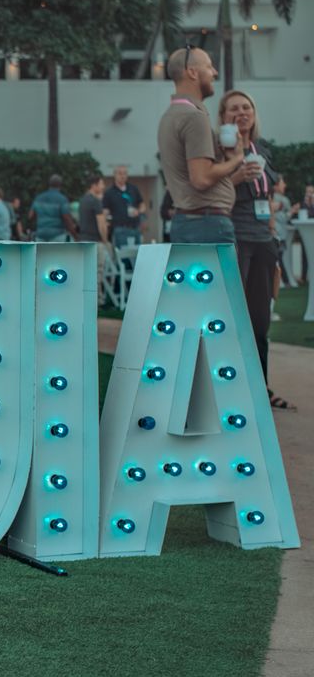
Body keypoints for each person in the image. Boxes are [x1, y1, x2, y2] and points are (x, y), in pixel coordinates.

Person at [219, 88, 292, 410]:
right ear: (223, 117)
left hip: (263, 240)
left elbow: (267, 199)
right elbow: (211, 189)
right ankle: (229, 390)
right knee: (233, 316)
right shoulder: (220, 152)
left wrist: (273, 229)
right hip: (236, 237)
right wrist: (236, 176)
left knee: (260, 320)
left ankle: (260, 387)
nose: (241, 112)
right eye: (234, 108)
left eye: (246, 107)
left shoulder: (261, 149)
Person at [157, 46, 247, 244]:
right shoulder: (194, 117)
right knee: (224, 277)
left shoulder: (169, 116)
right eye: (209, 67)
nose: (214, 72)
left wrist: (225, 158)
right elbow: (201, 178)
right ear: (192, 72)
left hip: (190, 221)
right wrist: (237, 160)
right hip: (208, 224)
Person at [103, 165, 145, 247]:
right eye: (120, 173)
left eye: (125, 173)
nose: (122, 176)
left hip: (135, 228)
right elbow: (105, 212)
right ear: (115, 175)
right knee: (123, 257)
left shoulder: (133, 189)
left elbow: (142, 205)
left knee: (137, 255)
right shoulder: (109, 192)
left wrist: (138, 211)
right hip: (119, 229)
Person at [29, 174, 76, 242]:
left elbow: (30, 216)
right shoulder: (62, 199)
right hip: (57, 235)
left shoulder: (38, 198)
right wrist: (75, 235)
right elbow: (66, 218)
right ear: (60, 185)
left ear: (49, 184)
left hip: (40, 235)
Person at [271, 176, 296, 288]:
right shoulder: (281, 200)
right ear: (276, 186)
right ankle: (283, 282)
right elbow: (282, 218)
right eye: (282, 182)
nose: (285, 185)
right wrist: (292, 211)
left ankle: (283, 281)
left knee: (278, 258)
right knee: (278, 258)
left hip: (277, 233)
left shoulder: (274, 198)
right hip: (278, 234)